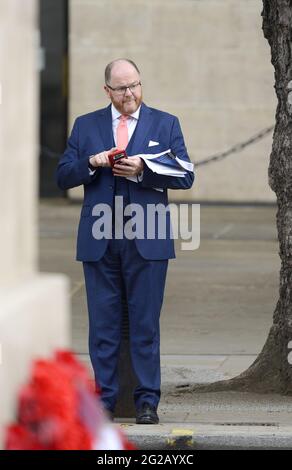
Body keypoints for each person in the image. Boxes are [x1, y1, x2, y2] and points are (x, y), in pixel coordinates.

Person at [56, 59, 194, 424]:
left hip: (147, 238)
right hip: (100, 240)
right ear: (107, 91)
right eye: (121, 88)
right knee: (103, 325)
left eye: (134, 85)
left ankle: (147, 402)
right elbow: (62, 176)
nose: (130, 93)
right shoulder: (86, 125)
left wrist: (144, 169)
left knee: (145, 325)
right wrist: (92, 161)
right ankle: (104, 402)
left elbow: (185, 174)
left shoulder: (165, 123)